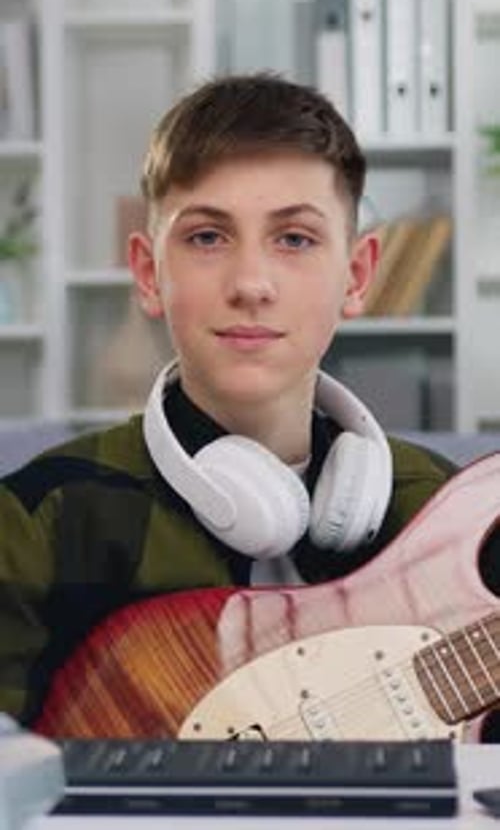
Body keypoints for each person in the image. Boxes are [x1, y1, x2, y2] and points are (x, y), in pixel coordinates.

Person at [0, 73, 461, 735]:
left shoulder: (451, 518)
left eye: (295, 239)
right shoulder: (34, 522)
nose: (251, 284)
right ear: (148, 274)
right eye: (208, 238)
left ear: (357, 276)